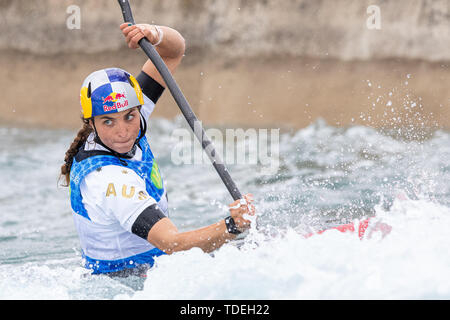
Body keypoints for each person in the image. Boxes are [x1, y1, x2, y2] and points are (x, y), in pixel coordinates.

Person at [60, 22, 255, 277]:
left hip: (156, 265)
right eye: (108, 121)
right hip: (126, 283)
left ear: (138, 109)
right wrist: (232, 226)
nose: (123, 131)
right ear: (91, 123)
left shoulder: (133, 118)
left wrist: (154, 34)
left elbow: (172, 53)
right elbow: (172, 244)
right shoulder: (109, 182)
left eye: (129, 117)